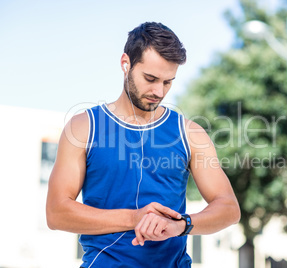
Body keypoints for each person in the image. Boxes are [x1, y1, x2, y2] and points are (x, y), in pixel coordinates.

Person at [46, 22, 240, 267]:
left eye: (168, 82)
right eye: (150, 78)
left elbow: (229, 208)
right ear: (125, 64)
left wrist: (181, 225)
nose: (159, 91)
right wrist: (134, 217)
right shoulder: (83, 127)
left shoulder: (190, 133)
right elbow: (56, 213)